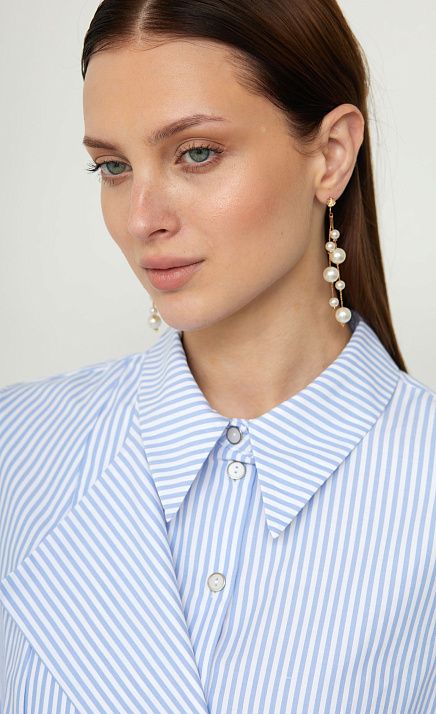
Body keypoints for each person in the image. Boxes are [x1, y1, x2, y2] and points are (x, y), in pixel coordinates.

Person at [0, 0, 434, 712]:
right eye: (112, 166)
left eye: (196, 153)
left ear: (331, 154)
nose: (141, 218)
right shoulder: (16, 448)